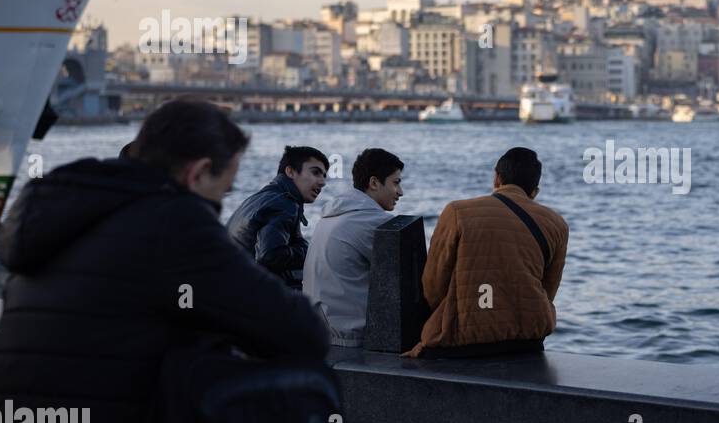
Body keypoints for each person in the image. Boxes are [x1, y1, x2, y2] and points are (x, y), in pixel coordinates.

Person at [0, 100, 467, 423]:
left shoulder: (61, 218)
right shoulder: (170, 219)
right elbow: (296, 329)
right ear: (197, 173)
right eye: (223, 188)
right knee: (294, 375)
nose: (219, 204)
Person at [405, 147, 567, 359]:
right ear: (535, 192)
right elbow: (548, 291)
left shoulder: (457, 212)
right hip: (527, 341)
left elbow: (433, 284)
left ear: (496, 178)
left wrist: (457, 309)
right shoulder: (557, 224)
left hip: (461, 340)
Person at [305, 148, 405, 348]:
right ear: (374, 183)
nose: (400, 192)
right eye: (396, 183)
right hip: (350, 335)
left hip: (319, 326)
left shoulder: (332, 215)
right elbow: (411, 274)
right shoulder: (372, 221)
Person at [226, 145, 328, 289]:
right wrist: (310, 251)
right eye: (315, 172)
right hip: (250, 295)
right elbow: (271, 256)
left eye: (324, 176)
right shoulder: (284, 203)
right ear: (290, 172)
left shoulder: (259, 198)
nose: (322, 182)